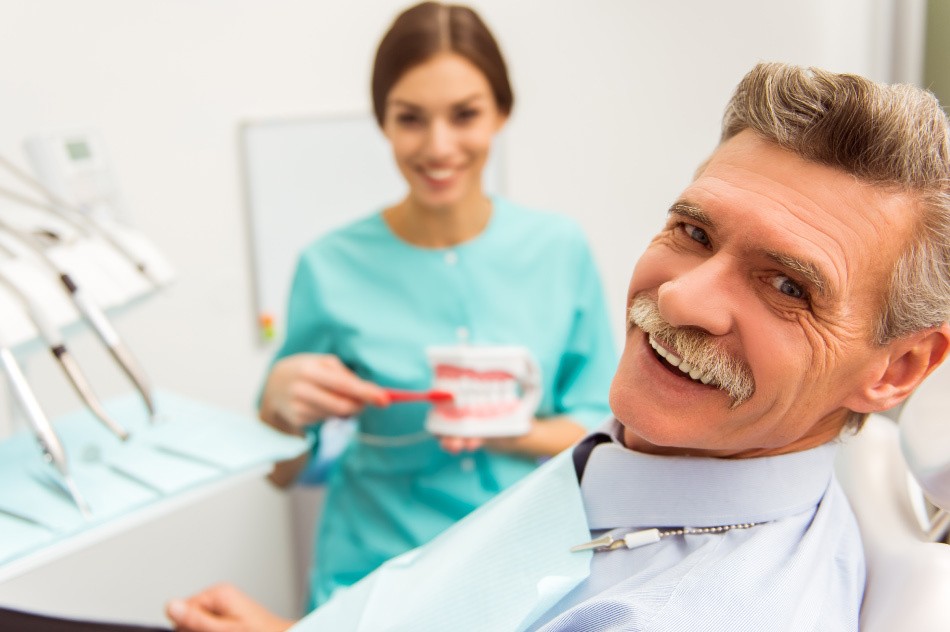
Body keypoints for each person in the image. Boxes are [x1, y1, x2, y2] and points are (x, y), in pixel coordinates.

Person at [166, 62, 950, 632]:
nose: (679, 297)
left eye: (787, 287)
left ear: (899, 369)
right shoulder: (650, 457)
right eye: (692, 230)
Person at [255, 0, 617, 614]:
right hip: (371, 582)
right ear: (383, 122)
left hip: (526, 573)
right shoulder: (328, 266)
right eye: (411, 118)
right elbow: (284, 473)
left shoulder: (559, 249)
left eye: (465, 114)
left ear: (501, 112)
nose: (438, 145)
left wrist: (517, 433)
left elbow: (607, 432)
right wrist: (276, 414)